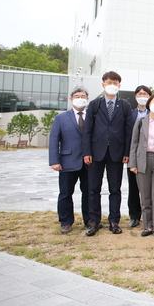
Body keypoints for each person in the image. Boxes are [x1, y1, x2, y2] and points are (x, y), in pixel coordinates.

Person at [83, 71, 133, 236]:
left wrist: (126, 152)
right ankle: (94, 221)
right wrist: (87, 151)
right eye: (109, 82)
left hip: (116, 153)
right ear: (103, 84)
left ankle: (114, 221)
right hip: (96, 152)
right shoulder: (94, 104)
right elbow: (87, 130)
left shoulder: (125, 105)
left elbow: (128, 131)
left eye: (116, 82)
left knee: (115, 189)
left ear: (119, 85)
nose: (112, 85)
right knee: (93, 189)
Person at [49, 86, 91, 234]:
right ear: (71, 99)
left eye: (83, 96)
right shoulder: (61, 118)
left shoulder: (92, 116)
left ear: (87, 98)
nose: (80, 98)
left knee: (89, 192)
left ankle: (89, 219)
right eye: (77, 96)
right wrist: (54, 160)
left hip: (88, 162)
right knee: (66, 193)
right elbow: (54, 140)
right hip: (67, 161)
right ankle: (66, 221)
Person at [129, 94, 154, 239]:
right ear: (149, 103)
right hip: (142, 160)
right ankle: (147, 225)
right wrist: (132, 163)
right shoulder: (140, 121)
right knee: (145, 196)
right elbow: (134, 143)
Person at [127, 85, 152, 228]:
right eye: (140, 94)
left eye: (145, 94)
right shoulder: (129, 114)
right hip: (134, 155)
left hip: (152, 155)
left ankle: (150, 216)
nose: (142, 96)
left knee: (150, 188)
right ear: (136, 96)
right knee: (133, 187)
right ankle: (135, 216)